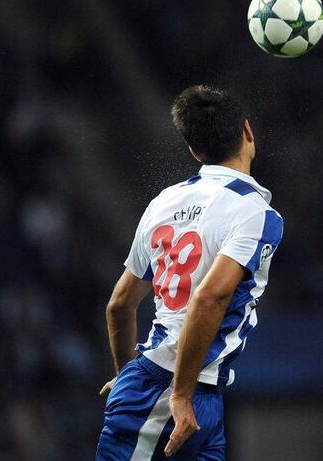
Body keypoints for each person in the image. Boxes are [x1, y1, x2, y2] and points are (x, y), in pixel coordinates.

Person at [96, 85, 283, 460]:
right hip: (174, 390)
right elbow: (210, 297)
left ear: (194, 151)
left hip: (191, 392)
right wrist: (179, 394)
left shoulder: (164, 202)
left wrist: (125, 376)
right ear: (248, 131)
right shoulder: (255, 214)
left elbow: (120, 305)